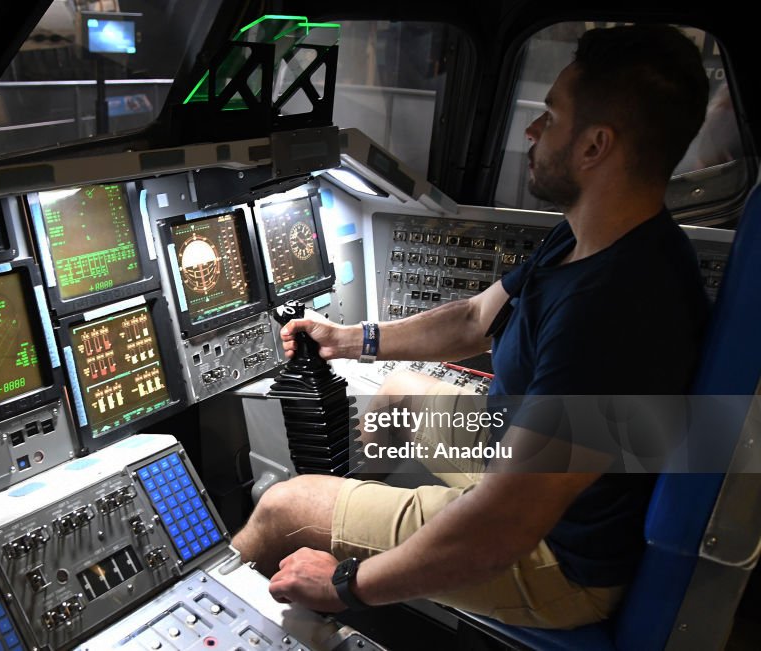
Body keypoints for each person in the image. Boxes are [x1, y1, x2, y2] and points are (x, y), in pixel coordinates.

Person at [231, 24, 711, 629]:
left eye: (550, 117)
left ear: (595, 147)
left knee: (280, 507)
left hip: (553, 558)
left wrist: (347, 586)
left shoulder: (614, 311)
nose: (532, 132)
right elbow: (473, 317)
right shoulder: (596, 236)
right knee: (397, 396)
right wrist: (350, 340)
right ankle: (357, 526)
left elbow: (505, 522)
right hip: (526, 466)